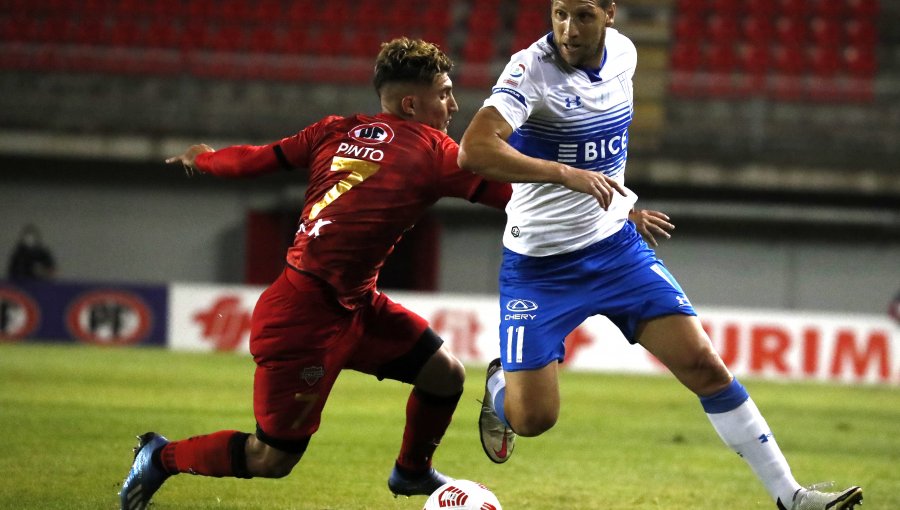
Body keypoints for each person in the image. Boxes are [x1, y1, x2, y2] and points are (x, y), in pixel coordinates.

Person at [457, 2, 863, 509]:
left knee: (704, 365)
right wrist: (565, 174)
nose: (567, 29)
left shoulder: (625, 56)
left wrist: (625, 209)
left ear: (609, 13)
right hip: (540, 267)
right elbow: (472, 150)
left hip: (615, 251)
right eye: (559, 13)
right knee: (535, 419)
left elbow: (607, 152)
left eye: (582, 15)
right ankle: (501, 386)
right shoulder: (529, 69)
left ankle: (792, 497)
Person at [119, 37, 511, 510]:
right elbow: (514, 198)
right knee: (271, 458)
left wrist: (203, 158)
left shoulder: (333, 130)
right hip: (302, 319)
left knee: (445, 375)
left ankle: (411, 473)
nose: (452, 104)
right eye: (445, 92)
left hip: (355, 303)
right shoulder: (435, 152)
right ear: (412, 103)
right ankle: (162, 457)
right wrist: (598, 201)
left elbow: (254, 159)